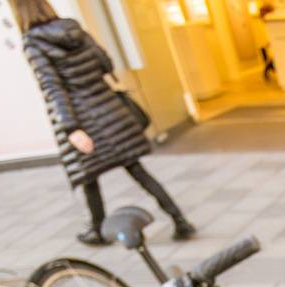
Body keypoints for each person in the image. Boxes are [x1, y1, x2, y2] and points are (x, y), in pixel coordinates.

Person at [12, 0, 194, 245]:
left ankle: (96, 230)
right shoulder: (74, 29)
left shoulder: (33, 42)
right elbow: (105, 64)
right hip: (110, 109)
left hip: (83, 119)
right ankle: (179, 220)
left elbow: (53, 88)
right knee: (137, 170)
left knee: (89, 178)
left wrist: (71, 128)